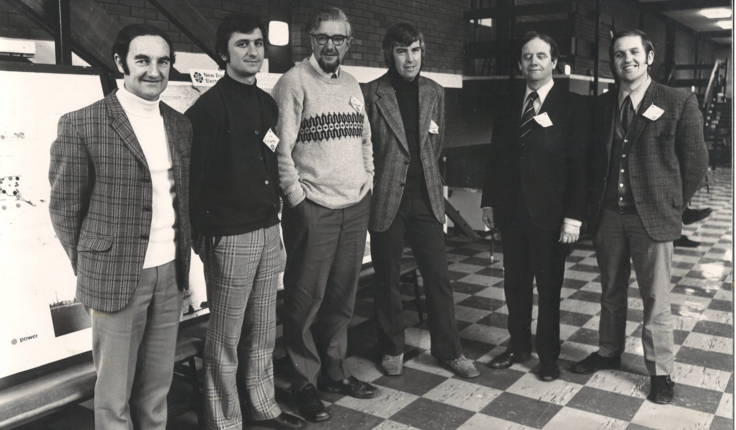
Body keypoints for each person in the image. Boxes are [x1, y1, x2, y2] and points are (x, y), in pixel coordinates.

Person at [49, 24, 192, 429]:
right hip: (116, 275)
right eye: (142, 60)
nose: (154, 71)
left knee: (157, 388)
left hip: (170, 272)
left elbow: (182, 198)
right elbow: (64, 208)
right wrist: (93, 264)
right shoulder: (83, 124)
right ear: (120, 64)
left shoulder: (180, 125)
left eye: (163, 62)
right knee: (113, 396)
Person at [571, 30, 708, 404]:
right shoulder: (601, 105)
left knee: (655, 298)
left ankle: (661, 373)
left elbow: (696, 162)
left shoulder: (677, 101)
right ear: (612, 62)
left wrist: (672, 204)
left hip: (654, 219)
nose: (626, 59)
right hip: (610, 217)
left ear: (649, 56)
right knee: (611, 291)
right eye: (619, 54)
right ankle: (608, 350)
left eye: (634, 52)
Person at [185, 13, 305, 430]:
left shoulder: (266, 102)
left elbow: (271, 161)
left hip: (268, 230)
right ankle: (225, 420)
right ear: (223, 53)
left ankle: (264, 405)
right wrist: (204, 237)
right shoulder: (208, 109)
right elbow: (193, 182)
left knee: (264, 329)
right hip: (229, 237)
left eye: (257, 43)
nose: (253, 51)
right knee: (226, 337)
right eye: (242, 44)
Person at [272, 7, 377, 423]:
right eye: (323, 38)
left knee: (341, 297)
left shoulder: (352, 84)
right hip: (313, 208)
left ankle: (334, 371)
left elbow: (366, 138)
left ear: (348, 43)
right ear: (310, 40)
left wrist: (367, 176)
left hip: (354, 207)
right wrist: (297, 198)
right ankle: (304, 384)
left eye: (339, 38)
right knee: (305, 299)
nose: (331, 45)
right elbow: (280, 149)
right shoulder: (293, 82)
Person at [362, 22, 479, 379]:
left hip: (426, 197)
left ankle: (449, 351)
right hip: (387, 198)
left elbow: (435, 145)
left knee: (439, 277)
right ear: (389, 54)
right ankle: (391, 348)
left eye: (415, 50)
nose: (410, 58)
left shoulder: (434, 92)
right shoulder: (372, 93)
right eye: (401, 51)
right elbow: (368, 147)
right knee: (387, 278)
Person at [480, 32, 589, 381]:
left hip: (551, 218)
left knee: (549, 289)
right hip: (512, 214)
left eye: (541, 56)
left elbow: (579, 168)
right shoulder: (509, 101)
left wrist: (573, 217)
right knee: (515, 285)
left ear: (554, 62)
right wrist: (488, 202)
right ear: (520, 63)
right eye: (527, 56)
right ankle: (517, 346)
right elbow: (495, 156)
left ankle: (548, 357)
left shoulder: (573, 106)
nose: (534, 62)